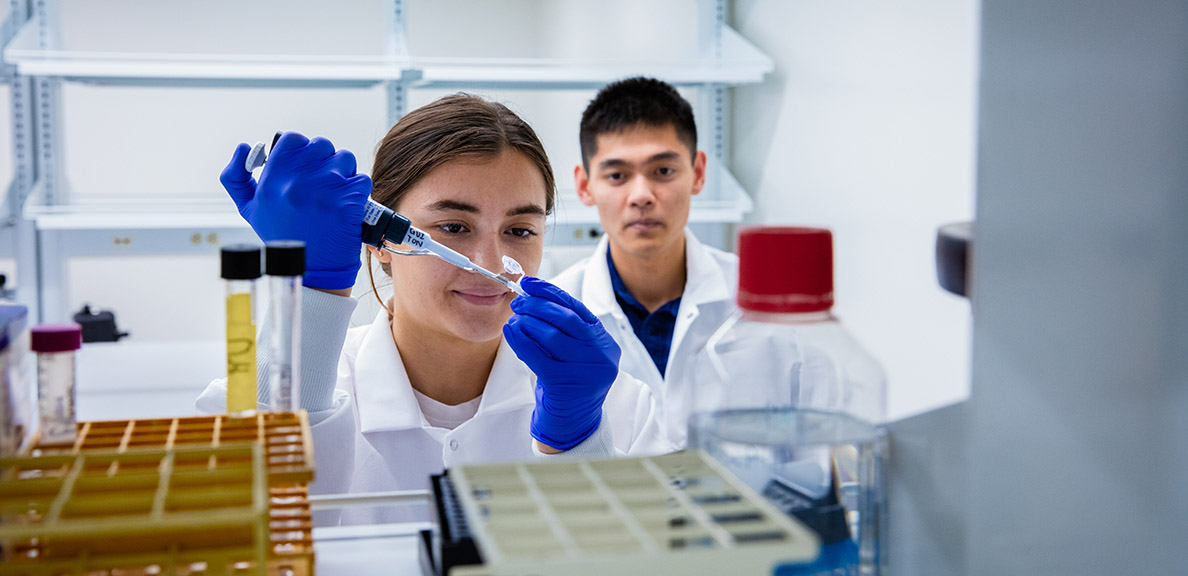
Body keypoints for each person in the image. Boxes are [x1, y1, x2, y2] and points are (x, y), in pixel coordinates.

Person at [200, 94, 669, 524]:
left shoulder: (613, 406)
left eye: (520, 231)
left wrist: (580, 447)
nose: (489, 264)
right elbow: (236, 537)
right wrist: (312, 291)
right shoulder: (273, 392)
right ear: (380, 238)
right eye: (453, 226)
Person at [552, 78, 830, 448]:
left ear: (698, 172)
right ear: (585, 185)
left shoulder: (764, 304)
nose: (641, 195)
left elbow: (824, 442)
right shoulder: (557, 312)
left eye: (663, 171)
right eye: (617, 175)